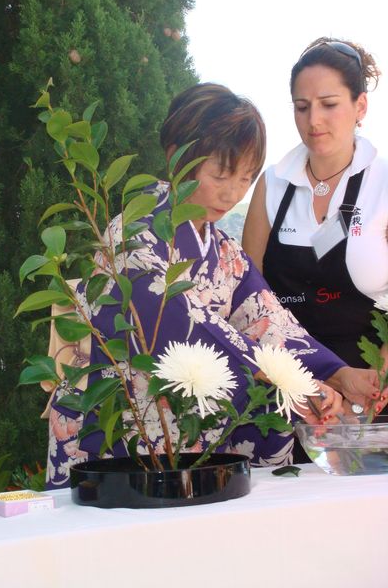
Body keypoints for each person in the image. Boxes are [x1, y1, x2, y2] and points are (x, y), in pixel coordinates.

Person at [45, 83, 383, 489]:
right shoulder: (136, 236)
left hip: (176, 434)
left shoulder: (222, 249)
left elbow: (266, 318)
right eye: (220, 174)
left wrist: (335, 372)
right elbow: (190, 328)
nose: (232, 193)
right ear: (176, 158)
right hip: (123, 431)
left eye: (244, 178)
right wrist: (288, 386)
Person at [242, 38, 388, 373]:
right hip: (286, 386)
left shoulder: (383, 183)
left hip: (373, 392)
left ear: (360, 106)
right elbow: (249, 297)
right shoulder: (273, 184)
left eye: (329, 104)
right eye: (302, 106)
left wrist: (377, 383)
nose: (314, 121)